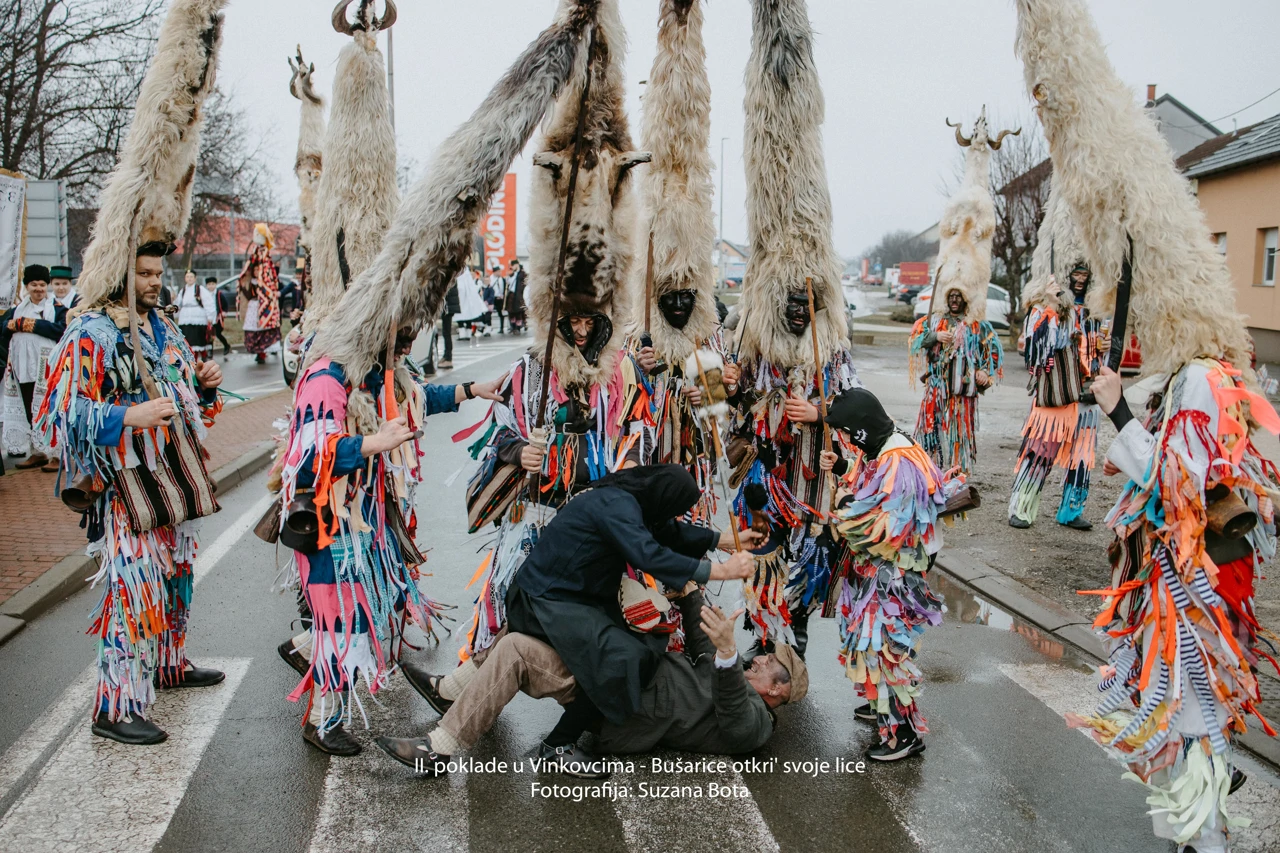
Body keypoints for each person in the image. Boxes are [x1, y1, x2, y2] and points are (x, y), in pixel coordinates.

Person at [277, 322, 505, 756]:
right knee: (340, 624)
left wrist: (474, 389)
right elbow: (306, 460)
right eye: (398, 331)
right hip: (329, 526)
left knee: (355, 619)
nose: (407, 342)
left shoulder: (384, 373)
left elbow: (417, 398)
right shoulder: (327, 379)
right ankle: (322, 722)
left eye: (412, 331)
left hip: (367, 523)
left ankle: (308, 657)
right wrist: (370, 443)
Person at [444, 464, 758, 773]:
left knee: (637, 650)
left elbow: (665, 531)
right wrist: (722, 571)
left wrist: (724, 541)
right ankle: (556, 746)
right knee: (621, 662)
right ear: (664, 497)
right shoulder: (618, 507)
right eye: (675, 507)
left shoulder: (633, 498)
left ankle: (453, 689)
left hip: (562, 595)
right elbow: (648, 552)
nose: (673, 514)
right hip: (546, 601)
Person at [37, 241, 227, 745]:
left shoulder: (161, 326)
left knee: (174, 581)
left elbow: (189, 402)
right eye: (142, 272)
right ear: (114, 273)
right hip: (124, 489)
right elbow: (62, 416)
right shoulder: (89, 333)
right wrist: (128, 416)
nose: (152, 281)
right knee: (134, 591)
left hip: (173, 482)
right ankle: (114, 707)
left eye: (156, 272)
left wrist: (204, 387)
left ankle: (167, 665)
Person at [374, 588, 805, 776]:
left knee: (518, 651)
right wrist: (691, 591)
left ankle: (441, 748)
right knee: (543, 617)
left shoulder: (756, 725)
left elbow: (731, 712)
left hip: (619, 704)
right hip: (622, 671)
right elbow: (701, 643)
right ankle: (449, 691)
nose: (760, 657)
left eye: (769, 663)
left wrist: (729, 655)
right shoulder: (731, 677)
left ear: (777, 690)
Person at [820, 388, 955, 761]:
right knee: (871, 644)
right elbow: (874, 484)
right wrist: (847, 469)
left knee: (883, 649)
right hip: (883, 567)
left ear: (859, 430)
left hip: (894, 572)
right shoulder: (886, 446)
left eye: (846, 432)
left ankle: (903, 733)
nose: (844, 440)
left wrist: (848, 509)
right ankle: (882, 704)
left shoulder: (899, 460)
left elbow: (887, 524)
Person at [1008, 263, 1104, 530]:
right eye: (1076, 274)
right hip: (1054, 398)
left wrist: (1102, 348)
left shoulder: (1094, 312)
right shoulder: (1041, 311)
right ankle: (1022, 508)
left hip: (1086, 396)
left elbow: (1097, 353)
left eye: (1086, 275)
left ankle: (1071, 510)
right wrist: (1054, 310)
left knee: (1081, 457)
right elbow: (1035, 355)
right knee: (1039, 453)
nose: (1081, 280)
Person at [909, 285, 1004, 475]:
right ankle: (930, 471)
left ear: (966, 300)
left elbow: (994, 351)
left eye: (959, 296)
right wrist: (935, 336)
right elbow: (915, 342)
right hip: (935, 387)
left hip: (963, 391)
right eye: (951, 296)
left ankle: (957, 474)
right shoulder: (934, 321)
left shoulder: (978, 325)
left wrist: (985, 371)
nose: (954, 300)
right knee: (930, 430)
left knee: (960, 435)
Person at [1, 265, 67, 471]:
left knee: (50, 410)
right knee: (29, 409)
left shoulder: (56, 309)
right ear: (26, 286)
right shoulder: (16, 310)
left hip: (48, 370)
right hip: (23, 368)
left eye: (42, 284)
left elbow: (62, 330)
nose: (38, 288)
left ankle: (57, 454)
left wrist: (29, 324)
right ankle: (37, 452)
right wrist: (13, 324)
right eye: (34, 284)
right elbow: (3, 328)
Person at [238, 223, 282, 364]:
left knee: (264, 326)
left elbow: (270, 279)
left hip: (264, 305)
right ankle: (258, 351)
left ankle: (263, 352)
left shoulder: (265, 259)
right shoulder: (256, 255)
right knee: (253, 327)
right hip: (254, 305)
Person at [176, 270, 217, 363]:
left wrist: (210, 317)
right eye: (187, 277)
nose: (189, 279)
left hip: (198, 318)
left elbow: (209, 303)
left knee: (198, 340)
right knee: (188, 340)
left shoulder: (200, 289)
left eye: (191, 277)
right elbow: (178, 304)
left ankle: (203, 357)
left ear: (195, 278)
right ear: (185, 278)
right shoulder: (183, 290)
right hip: (185, 318)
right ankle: (191, 360)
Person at [206, 276, 232, 358]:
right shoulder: (205, 294)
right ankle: (210, 351)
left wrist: (224, 312)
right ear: (207, 285)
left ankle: (226, 345)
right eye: (209, 284)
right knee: (210, 334)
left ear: (215, 285)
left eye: (213, 284)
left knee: (218, 333)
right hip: (209, 317)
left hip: (217, 317)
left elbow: (225, 304)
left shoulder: (219, 294)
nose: (211, 286)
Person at [439, 276, 460, 369]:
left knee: (446, 333)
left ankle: (448, 358)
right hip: (448, 307)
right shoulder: (451, 276)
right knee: (445, 333)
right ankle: (446, 356)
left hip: (447, 308)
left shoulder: (449, 276)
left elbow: (447, 292)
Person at [504, 259, 525, 334]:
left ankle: (518, 328)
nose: (513, 267)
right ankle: (513, 327)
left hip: (518, 295)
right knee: (511, 312)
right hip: (511, 294)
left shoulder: (522, 273)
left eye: (514, 265)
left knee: (518, 313)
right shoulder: (511, 274)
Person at [487, 265, 507, 333]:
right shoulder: (490, 279)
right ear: (495, 272)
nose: (500, 273)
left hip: (499, 298)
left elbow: (504, 289)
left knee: (501, 313)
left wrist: (503, 295)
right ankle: (489, 327)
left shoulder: (502, 279)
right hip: (492, 298)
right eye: (498, 272)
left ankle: (502, 328)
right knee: (489, 313)